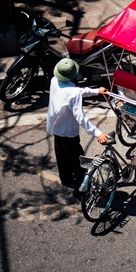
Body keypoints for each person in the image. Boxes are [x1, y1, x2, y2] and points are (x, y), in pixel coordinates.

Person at [45, 58, 108, 198]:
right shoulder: (73, 93)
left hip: (56, 127)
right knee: (76, 157)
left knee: (61, 154)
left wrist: (96, 91)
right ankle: (82, 183)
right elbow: (81, 117)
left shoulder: (54, 81)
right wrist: (98, 133)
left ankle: (66, 178)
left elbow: (77, 91)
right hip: (68, 130)